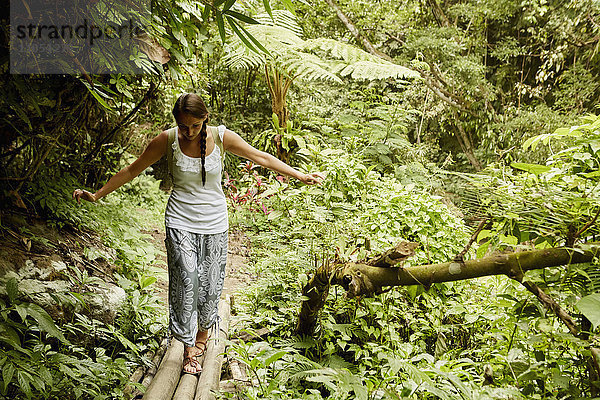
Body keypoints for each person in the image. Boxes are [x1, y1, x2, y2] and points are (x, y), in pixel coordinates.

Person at [73, 93, 324, 374]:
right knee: (187, 279)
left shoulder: (222, 137)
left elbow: (261, 157)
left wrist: (299, 175)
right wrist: (97, 195)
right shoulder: (167, 140)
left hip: (215, 223)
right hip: (180, 220)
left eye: (195, 126)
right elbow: (132, 170)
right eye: (183, 126)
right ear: (176, 123)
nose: (190, 132)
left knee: (211, 285)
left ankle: (203, 336)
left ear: (205, 118)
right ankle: (188, 348)